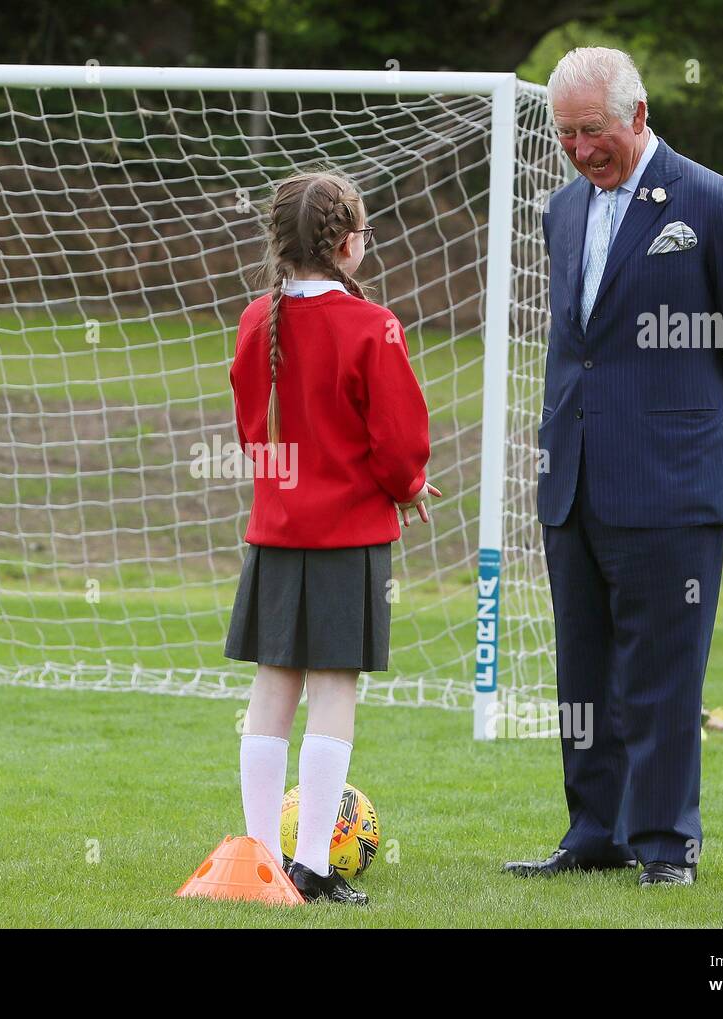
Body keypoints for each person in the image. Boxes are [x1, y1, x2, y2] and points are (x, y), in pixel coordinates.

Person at [504, 47, 723, 886]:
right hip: (574, 480)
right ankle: (595, 832)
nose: (583, 149)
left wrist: (696, 438)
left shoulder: (713, 202)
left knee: (661, 676)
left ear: (639, 114)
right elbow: (574, 349)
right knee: (583, 673)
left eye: (595, 131)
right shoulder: (561, 211)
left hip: (670, 484)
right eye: (566, 134)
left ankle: (665, 844)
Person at [223, 168, 440, 905]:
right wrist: (405, 485)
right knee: (334, 690)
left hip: (277, 532)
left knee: (272, 688)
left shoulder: (257, 320)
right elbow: (401, 441)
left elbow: (256, 433)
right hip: (348, 537)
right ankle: (312, 864)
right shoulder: (372, 325)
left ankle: (259, 860)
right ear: (349, 246)